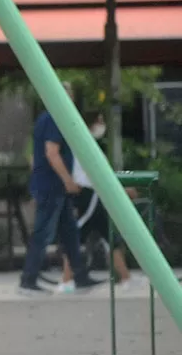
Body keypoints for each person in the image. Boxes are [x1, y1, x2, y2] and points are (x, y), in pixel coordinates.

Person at [19, 84, 98, 296]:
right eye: (68, 94)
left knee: (69, 232)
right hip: (53, 186)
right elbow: (51, 153)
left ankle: (79, 276)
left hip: (51, 185)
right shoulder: (55, 118)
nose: (71, 98)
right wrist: (67, 180)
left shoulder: (46, 118)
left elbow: (37, 156)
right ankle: (28, 280)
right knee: (43, 233)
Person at [59, 112, 136, 291]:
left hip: (91, 194)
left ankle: (125, 277)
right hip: (88, 195)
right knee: (78, 235)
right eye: (99, 120)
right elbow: (98, 174)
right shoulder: (83, 146)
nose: (102, 125)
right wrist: (122, 191)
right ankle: (66, 280)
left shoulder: (82, 144)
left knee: (108, 234)